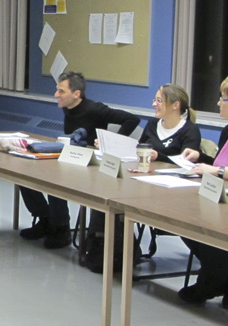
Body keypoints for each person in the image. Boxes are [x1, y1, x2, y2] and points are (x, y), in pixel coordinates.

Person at [82, 84, 201, 272]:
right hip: (143, 181)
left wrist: (159, 156)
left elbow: (187, 163)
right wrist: (108, 146)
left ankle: (121, 250)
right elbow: (137, 150)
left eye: (159, 100)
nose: (154, 104)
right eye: (155, 100)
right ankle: (107, 246)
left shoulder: (190, 130)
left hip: (170, 190)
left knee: (119, 201)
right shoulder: (153, 125)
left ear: (175, 105)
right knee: (106, 194)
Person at [20, 71, 139, 249]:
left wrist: (112, 142)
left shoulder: (95, 109)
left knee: (54, 179)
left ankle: (61, 228)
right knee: (25, 174)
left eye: (61, 91)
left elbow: (132, 119)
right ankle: (45, 219)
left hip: (93, 165)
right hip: (73, 157)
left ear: (76, 94)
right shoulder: (67, 108)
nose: (56, 95)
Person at [179, 72, 228, 308]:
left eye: (223, 99)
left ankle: (212, 282)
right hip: (219, 198)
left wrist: (216, 170)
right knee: (183, 221)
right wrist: (201, 157)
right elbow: (223, 164)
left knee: (207, 225)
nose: (218, 103)